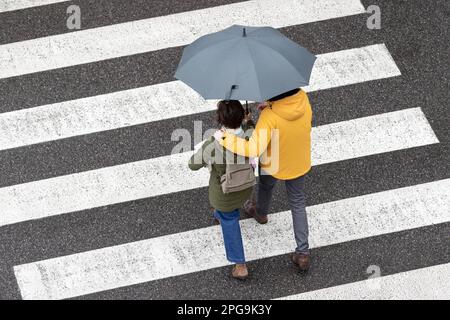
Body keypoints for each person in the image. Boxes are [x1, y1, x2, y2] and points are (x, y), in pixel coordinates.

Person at [214, 88, 312, 271]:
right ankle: (303, 252)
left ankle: (260, 212)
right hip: (299, 159)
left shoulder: (269, 117)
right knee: (298, 203)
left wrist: (225, 138)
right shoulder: (303, 99)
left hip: (272, 161)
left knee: (266, 186)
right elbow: (291, 114)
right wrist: (272, 105)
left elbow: (252, 149)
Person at [188, 100, 255, 279]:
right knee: (231, 209)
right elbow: (251, 134)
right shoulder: (250, 135)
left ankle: (240, 265)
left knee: (229, 218)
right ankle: (219, 214)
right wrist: (248, 122)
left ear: (220, 119)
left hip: (225, 193)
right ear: (242, 116)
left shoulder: (213, 144)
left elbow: (193, 165)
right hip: (246, 186)